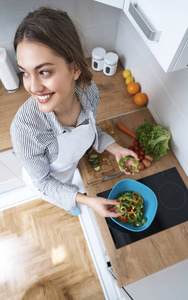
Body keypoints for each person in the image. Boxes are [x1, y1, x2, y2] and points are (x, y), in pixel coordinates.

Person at [10, 7, 138, 218]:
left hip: (72, 169)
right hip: (48, 184)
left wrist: (115, 149)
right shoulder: (25, 128)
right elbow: (42, 182)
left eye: (44, 72)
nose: (33, 87)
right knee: (73, 209)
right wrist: (85, 200)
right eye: (25, 72)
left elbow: (89, 129)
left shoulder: (90, 93)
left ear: (75, 69)